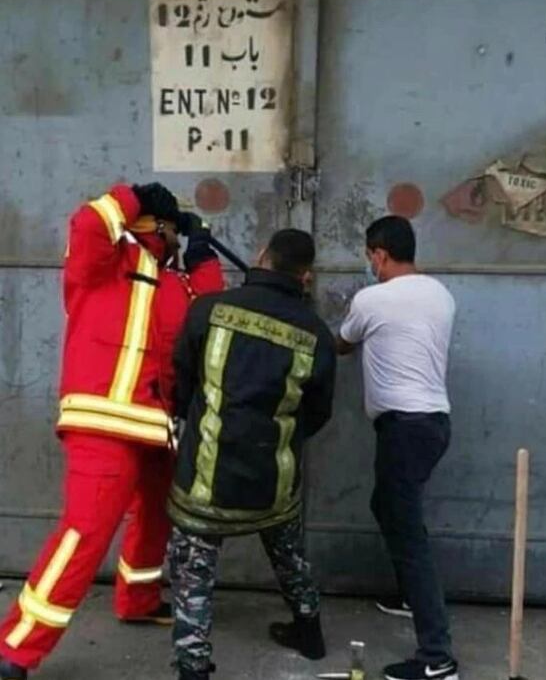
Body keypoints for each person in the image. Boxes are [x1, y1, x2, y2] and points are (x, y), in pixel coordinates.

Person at [0, 182, 224, 680]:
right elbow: (88, 221)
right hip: (102, 422)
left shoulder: (175, 284)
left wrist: (204, 253)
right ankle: (15, 647)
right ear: (153, 224)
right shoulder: (105, 261)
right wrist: (135, 195)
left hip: (155, 428)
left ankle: (139, 598)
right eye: (168, 224)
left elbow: (209, 317)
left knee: (155, 518)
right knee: (84, 533)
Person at [168, 229, 337, 680]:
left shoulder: (208, 310)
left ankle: (193, 666)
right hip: (274, 481)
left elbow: (180, 384)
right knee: (289, 554)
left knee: (193, 573)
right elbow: (318, 413)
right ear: (306, 276)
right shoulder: (315, 334)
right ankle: (310, 632)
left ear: (261, 256)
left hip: (207, 476)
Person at [337, 216, 458, 680]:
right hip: (432, 425)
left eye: (371, 257)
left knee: (407, 535)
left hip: (404, 429)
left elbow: (344, 344)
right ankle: (411, 596)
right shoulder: (440, 294)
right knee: (387, 507)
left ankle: (437, 658)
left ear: (380, 254)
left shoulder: (372, 299)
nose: (371, 265)